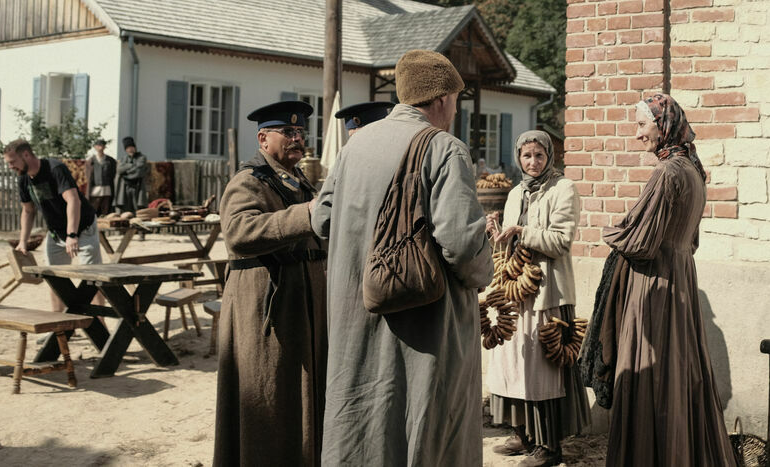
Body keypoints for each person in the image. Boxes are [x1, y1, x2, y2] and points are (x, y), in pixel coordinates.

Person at [311, 49, 493, 466]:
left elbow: (322, 219)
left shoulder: (354, 147)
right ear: (443, 98)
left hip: (356, 314)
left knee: (363, 425)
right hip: (424, 324)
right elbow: (463, 247)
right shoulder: (444, 148)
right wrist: (486, 267)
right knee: (422, 426)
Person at [602, 94, 736, 466]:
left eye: (642, 125)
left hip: (656, 284)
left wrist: (610, 232)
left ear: (663, 126)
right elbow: (690, 240)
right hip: (679, 277)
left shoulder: (667, 173)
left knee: (652, 372)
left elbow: (639, 242)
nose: (637, 134)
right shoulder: (693, 169)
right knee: (679, 370)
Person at [214, 100, 327, 466]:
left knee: (297, 396)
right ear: (264, 138)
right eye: (288, 132)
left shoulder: (300, 181)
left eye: (300, 132)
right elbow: (238, 232)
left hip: (302, 305)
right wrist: (305, 214)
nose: (298, 139)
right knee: (268, 396)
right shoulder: (247, 181)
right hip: (265, 307)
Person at [486, 130, 590, 467]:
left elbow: (561, 241)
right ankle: (522, 433)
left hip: (548, 293)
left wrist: (521, 232)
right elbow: (509, 244)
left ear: (550, 156)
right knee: (515, 363)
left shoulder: (563, 189)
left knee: (543, 369)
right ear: (518, 157)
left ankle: (549, 446)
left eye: (539, 156)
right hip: (519, 290)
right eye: (526, 156)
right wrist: (497, 232)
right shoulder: (515, 192)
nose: (533, 162)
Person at [2, 139, 105, 313]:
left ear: (26, 155)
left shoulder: (55, 169)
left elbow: (73, 200)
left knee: (91, 278)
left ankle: (99, 326)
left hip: (83, 229)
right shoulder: (23, 179)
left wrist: (72, 235)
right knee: (55, 278)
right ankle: (58, 328)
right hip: (56, 234)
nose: (10, 166)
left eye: (12, 162)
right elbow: (28, 211)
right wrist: (23, 242)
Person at [114, 136, 148, 215]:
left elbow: (139, 171)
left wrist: (126, 174)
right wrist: (130, 165)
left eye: (131, 147)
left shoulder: (141, 157)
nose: (130, 150)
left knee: (137, 209)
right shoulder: (123, 158)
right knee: (126, 209)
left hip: (137, 186)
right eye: (128, 148)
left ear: (135, 147)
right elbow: (119, 170)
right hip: (125, 187)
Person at [84, 139, 117, 216]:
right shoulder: (91, 160)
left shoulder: (110, 160)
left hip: (107, 186)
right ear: (95, 147)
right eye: (98, 146)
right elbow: (88, 174)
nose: (100, 148)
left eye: (102, 146)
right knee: (94, 205)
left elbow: (113, 173)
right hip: (95, 187)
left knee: (105, 206)